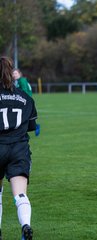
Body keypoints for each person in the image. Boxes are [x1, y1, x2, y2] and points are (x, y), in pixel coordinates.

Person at [0, 57, 37, 239]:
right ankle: (25, 225)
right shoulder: (26, 98)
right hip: (19, 149)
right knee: (20, 194)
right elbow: (31, 126)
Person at [12, 69, 40, 137]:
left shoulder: (22, 80)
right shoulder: (18, 81)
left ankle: (36, 126)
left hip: (26, 101)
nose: (14, 75)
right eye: (13, 74)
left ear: (19, 74)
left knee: (24, 116)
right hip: (24, 101)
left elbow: (24, 91)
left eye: (16, 73)